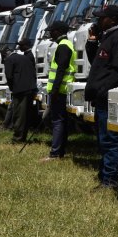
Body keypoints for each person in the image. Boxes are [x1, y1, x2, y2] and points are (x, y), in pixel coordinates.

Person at [85, 5, 118, 188]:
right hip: (100, 98)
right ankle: (104, 175)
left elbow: (116, 70)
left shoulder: (117, 38)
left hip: (106, 97)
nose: (98, 21)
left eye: (102, 18)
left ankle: (110, 179)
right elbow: (97, 64)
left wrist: (102, 89)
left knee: (109, 140)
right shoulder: (106, 38)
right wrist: (92, 42)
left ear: (113, 19)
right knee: (102, 139)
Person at [43, 21, 75, 161]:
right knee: (61, 121)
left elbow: (61, 70)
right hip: (61, 90)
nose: (50, 33)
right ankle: (59, 152)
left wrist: (55, 90)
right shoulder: (66, 45)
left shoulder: (63, 47)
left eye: (52, 31)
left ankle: (55, 153)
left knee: (57, 121)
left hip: (60, 91)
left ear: (58, 31)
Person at [5, 39, 37, 144]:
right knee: (25, 115)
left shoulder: (10, 60)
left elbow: (9, 76)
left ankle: (18, 138)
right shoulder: (24, 58)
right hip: (30, 89)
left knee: (19, 114)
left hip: (20, 90)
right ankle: (22, 136)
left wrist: (12, 87)